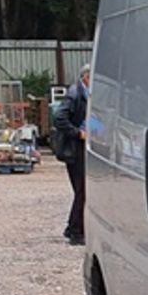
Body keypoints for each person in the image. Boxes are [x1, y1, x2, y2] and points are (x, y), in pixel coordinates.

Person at [53, 65, 90, 245]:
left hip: (80, 148)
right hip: (74, 150)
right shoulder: (74, 94)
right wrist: (78, 133)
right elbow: (59, 119)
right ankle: (75, 232)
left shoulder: (85, 94)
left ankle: (72, 227)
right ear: (86, 77)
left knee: (82, 191)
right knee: (82, 191)